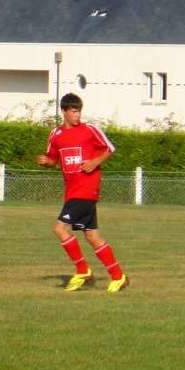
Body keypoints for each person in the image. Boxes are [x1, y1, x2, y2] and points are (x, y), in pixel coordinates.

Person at [37, 93, 128, 293]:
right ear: (64, 111)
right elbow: (54, 159)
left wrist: (95, 162)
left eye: (79, 111)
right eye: (73, 111)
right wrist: (46, 162)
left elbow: (109, 148)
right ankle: (118, 276)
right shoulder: (55, 135)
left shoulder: (89, 130)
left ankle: (82, 269)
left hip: (86, 190)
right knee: (92, 236)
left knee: (60, 229)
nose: (77, 115)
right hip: (71, 192)